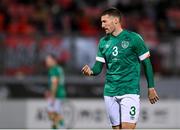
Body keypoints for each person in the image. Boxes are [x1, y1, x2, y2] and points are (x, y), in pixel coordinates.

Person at [81, 7, 159, 130]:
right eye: (101, 22)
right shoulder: (103, 42)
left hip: (129, 91)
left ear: (116, 21)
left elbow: (147, 63)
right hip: (110, 92)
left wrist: (151, 87)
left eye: (104, 21)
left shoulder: (134, 38)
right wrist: (90, 71)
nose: (102, 25)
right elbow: (98, 68)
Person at [45, 54, 66, 129]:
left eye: (48, 60)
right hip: (61, 93)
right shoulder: (59, 68)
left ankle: (62, 127)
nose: (46, 62)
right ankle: (58, 127)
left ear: (53, 60)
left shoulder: (53, 69)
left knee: (52, 112)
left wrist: (52, 95)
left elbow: (54, 83)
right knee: (56, 113)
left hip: (56, 94)